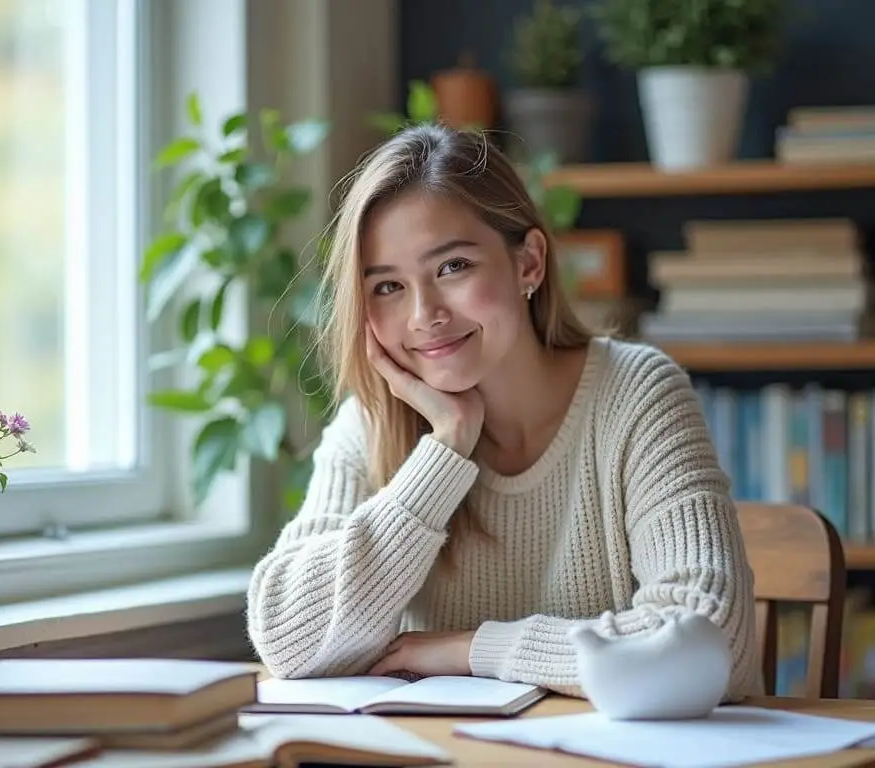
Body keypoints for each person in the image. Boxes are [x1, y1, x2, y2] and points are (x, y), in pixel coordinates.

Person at [246, 123, 761, 701]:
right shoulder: (370, 424)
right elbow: (289, 643)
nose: (425, 315)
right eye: (388, 287)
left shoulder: (635, 395)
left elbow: (709, 641)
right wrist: (443, 450)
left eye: (452, 267)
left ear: (529, 264)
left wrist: (473, 651)